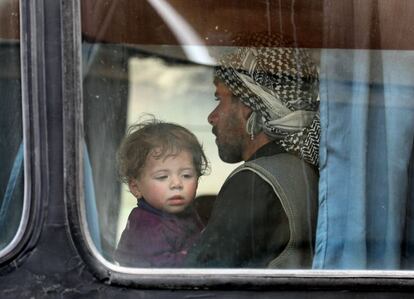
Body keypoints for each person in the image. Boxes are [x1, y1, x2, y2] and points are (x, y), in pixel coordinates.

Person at [185, 33, 320, 268]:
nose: (211, 117)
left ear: (248, 106)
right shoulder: (305, 170)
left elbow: (200, 282)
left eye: (219, 99)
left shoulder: (255, 182)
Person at [114, 118, 209, 267]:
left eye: (186, 175)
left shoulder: (187, 214)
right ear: (135, 187)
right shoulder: (145, 225)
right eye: (162, 177)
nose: (177, 184)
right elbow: (162, 272)